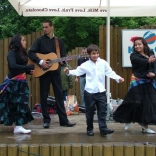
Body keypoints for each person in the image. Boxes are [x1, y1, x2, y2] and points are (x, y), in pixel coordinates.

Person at [64, 44, 124, 136]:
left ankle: (103, 128)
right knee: (89, 112)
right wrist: (69, 72)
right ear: (88, 55)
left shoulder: (103, 63)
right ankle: (90, 129)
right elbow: (77, 71)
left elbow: (110, 72)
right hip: (90, 92)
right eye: (93, 54)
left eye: (97, 53)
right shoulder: (85, 65)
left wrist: (118, 78)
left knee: (102, 111)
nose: (95, 55)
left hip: (101, 91)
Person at [28, 20, 76, 128]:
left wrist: (65, 61)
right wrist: (41, 61)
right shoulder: (39, 41)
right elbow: (30, 53)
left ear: (52, 27)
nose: (44, 29)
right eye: (43, 27)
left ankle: (64, 121)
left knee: (59, 96)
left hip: (56, 73)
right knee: (43, 96)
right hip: (43, 72)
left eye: (46, 27)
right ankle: (46, 120)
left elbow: (62, 57)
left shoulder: (59, 41)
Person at [113, 36, 156, 134]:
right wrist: (147, 61)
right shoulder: (133, 55)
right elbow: (140, 62)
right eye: (135, 45)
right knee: (133, 101)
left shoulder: (151, 53)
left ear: (144, 45)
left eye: (139, 44)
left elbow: (154, 65)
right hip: (137, 80)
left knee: (148, 103)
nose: (137, 46)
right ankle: (128, 119)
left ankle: (145, 126)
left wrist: (154, 73)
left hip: (148, 81)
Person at [0, 34, 35, 134]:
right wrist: (27, 68)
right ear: (18, 42)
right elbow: (13, 66)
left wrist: (28, 71)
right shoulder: (12, 53)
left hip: (22, 83)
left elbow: (21, 68)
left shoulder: (22, 53)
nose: (25, 42)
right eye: (23, 40)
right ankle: (17, 126)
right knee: (7, 104)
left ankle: (18, 126)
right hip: (12, 84)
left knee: (21, 105)